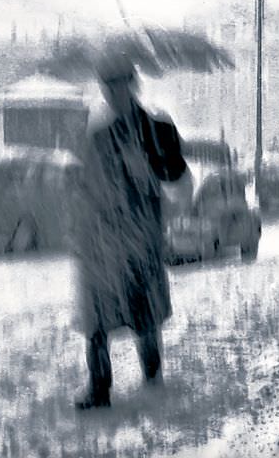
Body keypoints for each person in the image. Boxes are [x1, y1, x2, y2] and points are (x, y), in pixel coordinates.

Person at [72, 52, 192, 410]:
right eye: (106, 86)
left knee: (144, 312)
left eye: (118, 83)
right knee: (97, 316)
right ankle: (99, 387)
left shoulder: (158, 129)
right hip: (102, 237)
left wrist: (153, 171)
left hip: (141, 236)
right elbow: (84, 184)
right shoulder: (98, 135)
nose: (112, 92)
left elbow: (180, 180)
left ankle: (152, 377)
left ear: (132, 84)